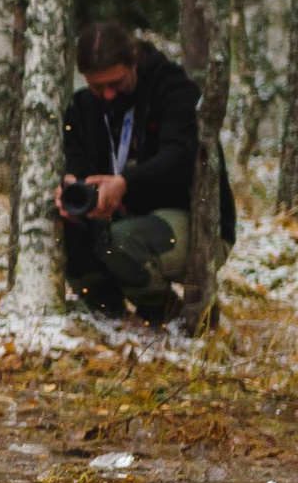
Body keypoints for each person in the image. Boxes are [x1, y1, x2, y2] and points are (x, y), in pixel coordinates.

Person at [59, 20, 234, 325]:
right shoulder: (84, 107)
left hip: (194, 223)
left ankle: (163, 314)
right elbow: (76, 163)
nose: (108, 94)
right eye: (97, 86)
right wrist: (73, 188)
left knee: (122, 243)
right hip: (122, 222)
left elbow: (178, 159)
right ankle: (109, 318)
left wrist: (125, 183)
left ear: (133, 63)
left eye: (116, 83)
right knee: (66, 236)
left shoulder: (174, 90)